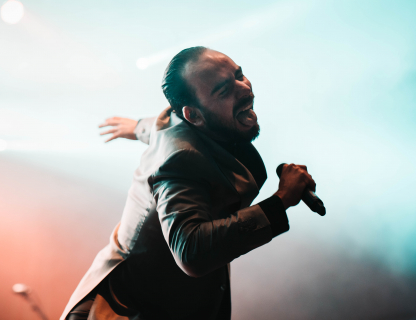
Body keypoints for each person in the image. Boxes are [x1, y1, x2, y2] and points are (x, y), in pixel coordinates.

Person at [61, 46, 317, 320]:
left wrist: (136, 127)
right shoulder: (178, 162)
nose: (245, 89)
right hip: (126, 311)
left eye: (239, 75)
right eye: (223, 90)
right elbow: (191, 252)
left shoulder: (179, 118)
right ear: (193, 116)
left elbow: (161, 123)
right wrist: (279, 203)